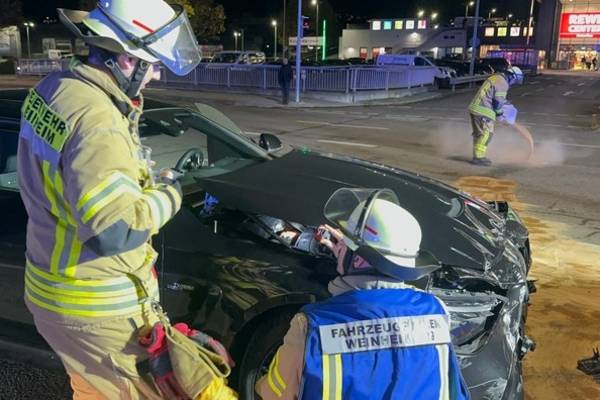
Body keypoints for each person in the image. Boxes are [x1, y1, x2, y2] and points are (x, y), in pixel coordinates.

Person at [16, 0, 233, 398]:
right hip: (96, 307)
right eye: (152, 64)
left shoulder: (55, 88)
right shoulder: (98, 121)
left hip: (53, 290)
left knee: (93, 389)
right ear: (125, 59)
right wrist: (169, 194)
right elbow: (114, 230)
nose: (156, 74)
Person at [256, 188, 470, 400]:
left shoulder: (312, 325)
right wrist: (349, 254)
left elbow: (273, 394)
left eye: (345, 243)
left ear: (358, 260)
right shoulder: (436, 311)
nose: (339, 246)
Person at [467, 66, 524, 166]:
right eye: (515, 81)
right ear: (512, 76)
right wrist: (500, 116)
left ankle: (477, 155)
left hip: (475, 108)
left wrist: (505, 104)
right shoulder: (503, 83)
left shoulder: (495, 77)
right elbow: (497, 102)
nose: (513, 83)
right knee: (487, 134)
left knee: (479, 134)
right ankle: (479, 157)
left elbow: (493, 96)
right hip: (484, 110)